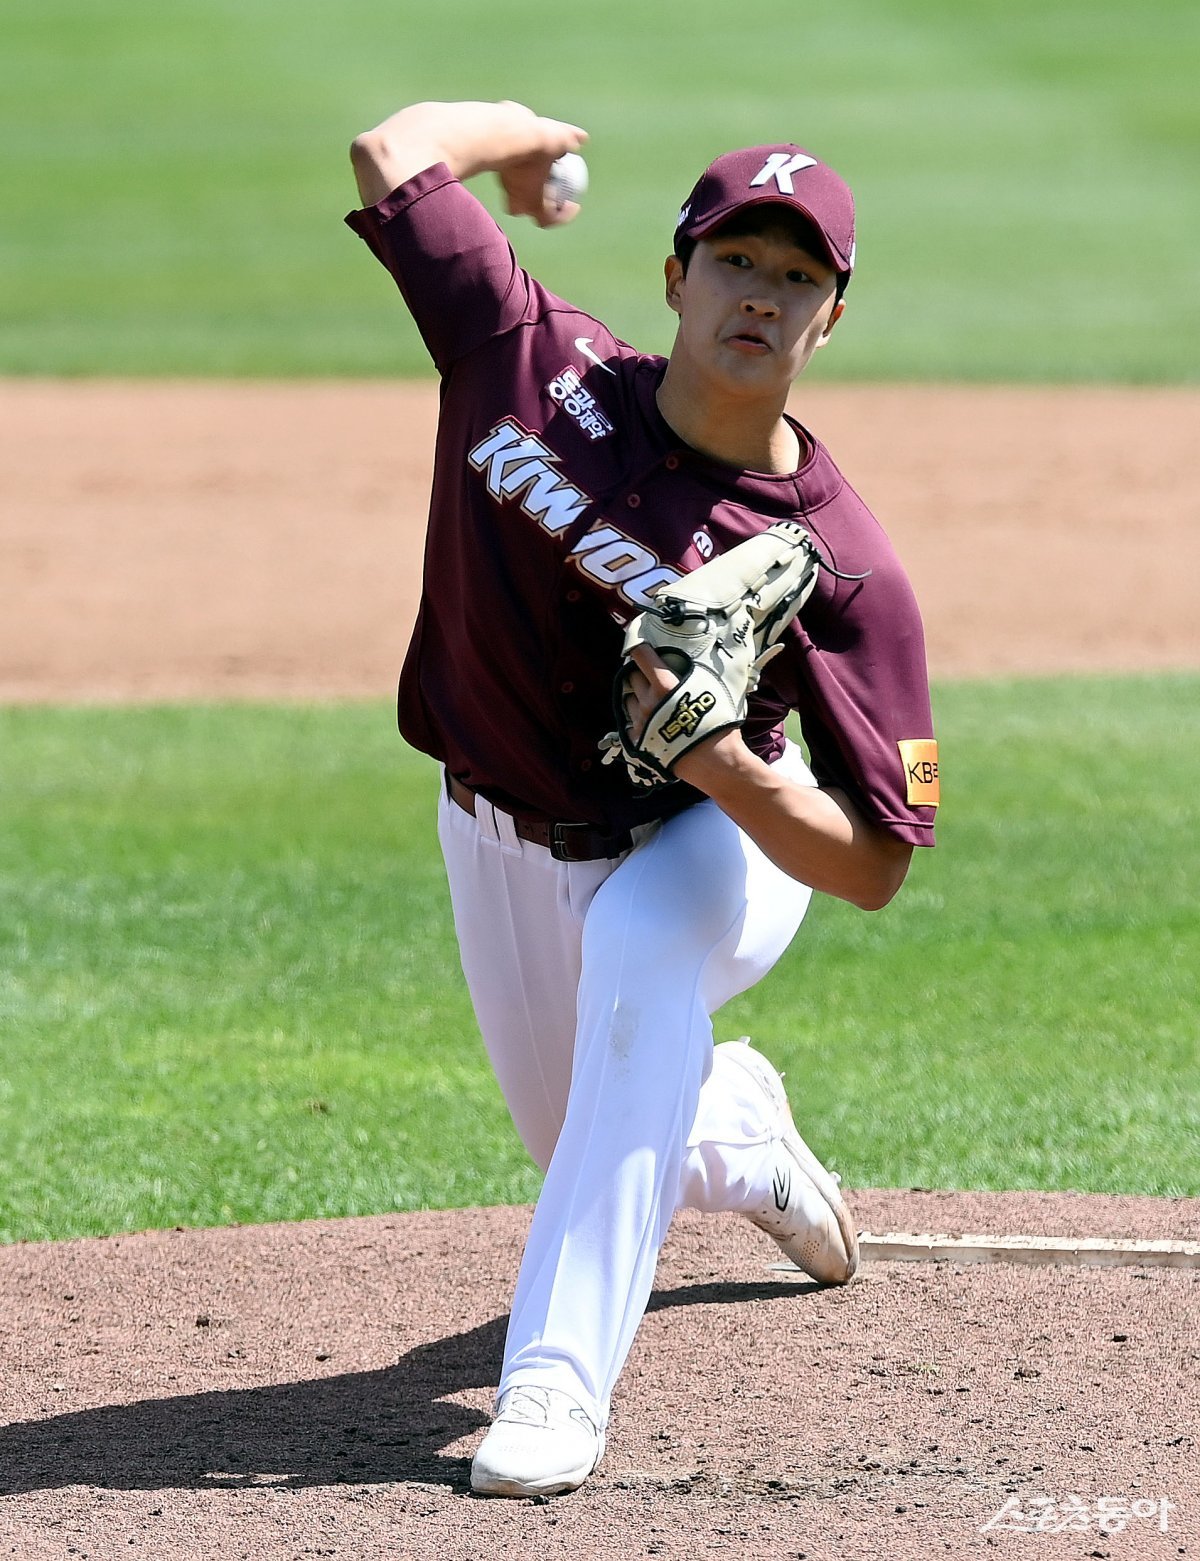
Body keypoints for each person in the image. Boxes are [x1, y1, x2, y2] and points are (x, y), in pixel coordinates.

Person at [345, 100, 938, 1498]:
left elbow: (876, 864)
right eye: (737, 261)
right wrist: (529, 135)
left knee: (639, 951)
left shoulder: (840, 562)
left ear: (830, 319)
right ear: (678, 277)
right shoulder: (525, 356)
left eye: (798, 276)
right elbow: (390, 150)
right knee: (595, 1138)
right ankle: (740, 1133)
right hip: (492, 824)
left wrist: (718, 760)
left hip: (715, 842)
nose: (762, 295)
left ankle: (553, 1387)